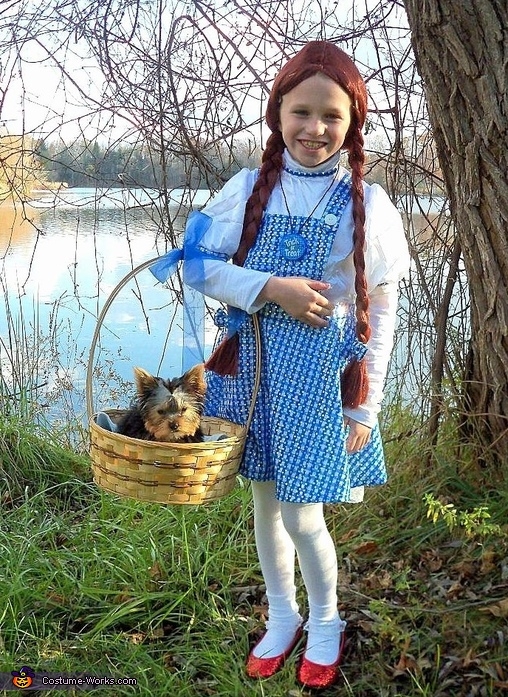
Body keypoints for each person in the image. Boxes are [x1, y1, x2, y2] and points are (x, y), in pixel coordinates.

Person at [182, 40, 409, 690]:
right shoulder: (249, 188)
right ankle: (281, 614)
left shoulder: (364, 203)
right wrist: (271, 288)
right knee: (263, 505)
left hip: (314, 386)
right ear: (278, 113)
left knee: (303, 511)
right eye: (300, 112)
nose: (315, 129)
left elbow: (382, 312)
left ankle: (327, 619)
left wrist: (363, 404)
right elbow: (197, 267)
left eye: (331, 115)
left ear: (352, 121)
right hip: (249, 376)